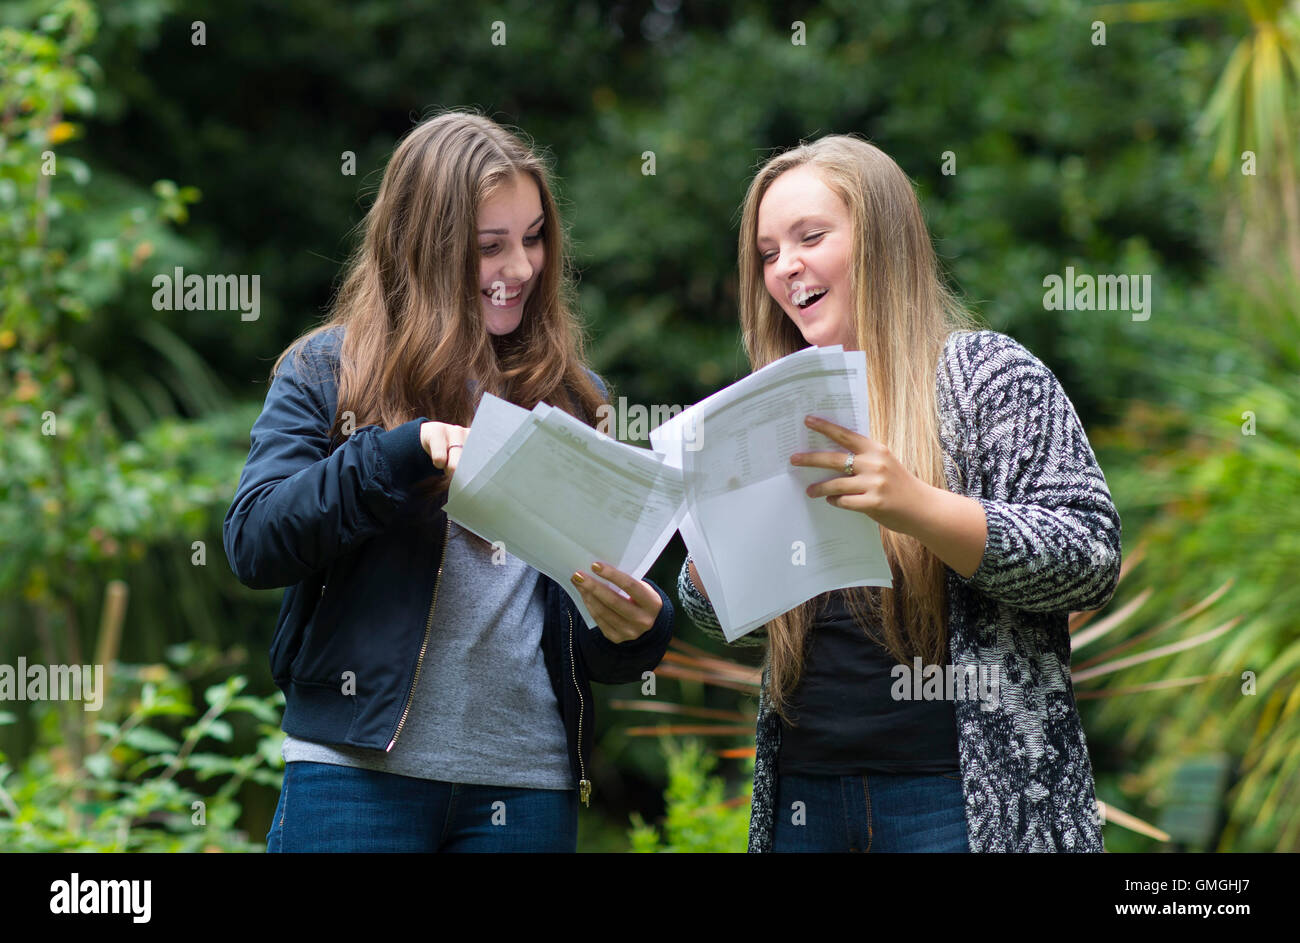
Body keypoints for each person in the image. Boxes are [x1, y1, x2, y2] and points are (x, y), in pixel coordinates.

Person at [223, 110, 675, 853]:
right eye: (490, 246)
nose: (522, 268)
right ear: (423, 248)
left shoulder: (572, 394)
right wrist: (400, 453)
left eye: (533, 238)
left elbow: (583, 629)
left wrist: (637, 628)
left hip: (526, 785)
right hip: (356, 776)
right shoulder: (327, 369)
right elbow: (255, 540)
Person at [677, 134, 1122, 852]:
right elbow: (724, 607)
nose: (785, 266)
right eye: (767, 253)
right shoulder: (769, 406)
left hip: (954, 796)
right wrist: (706, 563)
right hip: (805, 793)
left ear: (880, 239)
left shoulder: (987, 374)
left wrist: (918, 505)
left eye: (810, 236)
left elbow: (1091, 554)